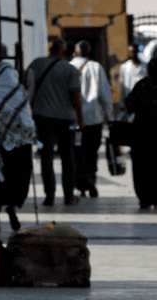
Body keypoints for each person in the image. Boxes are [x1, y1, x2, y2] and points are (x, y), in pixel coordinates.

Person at [0, 54, 37, 232]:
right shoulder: (19, 92)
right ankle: (13, 206)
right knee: (19, 177)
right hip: (20, 145)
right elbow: (27, 120)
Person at [26, 37, 84, 206]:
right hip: (65, 120)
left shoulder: (36, 64)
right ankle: (68, 196)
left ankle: (49, 196)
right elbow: (75, 96)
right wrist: (81, 119)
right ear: (63, 52)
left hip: (43, 118)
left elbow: (25, 85)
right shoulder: (70, 69)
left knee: (46, 157)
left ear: (50, 50)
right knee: (68, 158)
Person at [124, 54, 157, 209]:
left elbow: (129, 104)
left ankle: (144, 197)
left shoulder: (142, 84)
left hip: (142, 131)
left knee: (142, 165)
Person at [68, 41, 113, 198]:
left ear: (74, 52)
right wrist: (110, 116)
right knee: (91, 153)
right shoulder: (96, 67)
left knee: (76, 153)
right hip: (93, 119)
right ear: (89, 53)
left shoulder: (68, 67)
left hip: (74, 120)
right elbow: (105, 94)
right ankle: (91, 181)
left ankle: (79, 185)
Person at [114, 45, 145, 122]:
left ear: (137, 52)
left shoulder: (144, 66)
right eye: (131, 52)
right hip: (130, 99)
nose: (133, 54)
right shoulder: (125, 67)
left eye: (134, 51)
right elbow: (122, 85)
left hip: (142, 99)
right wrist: (122, 103)